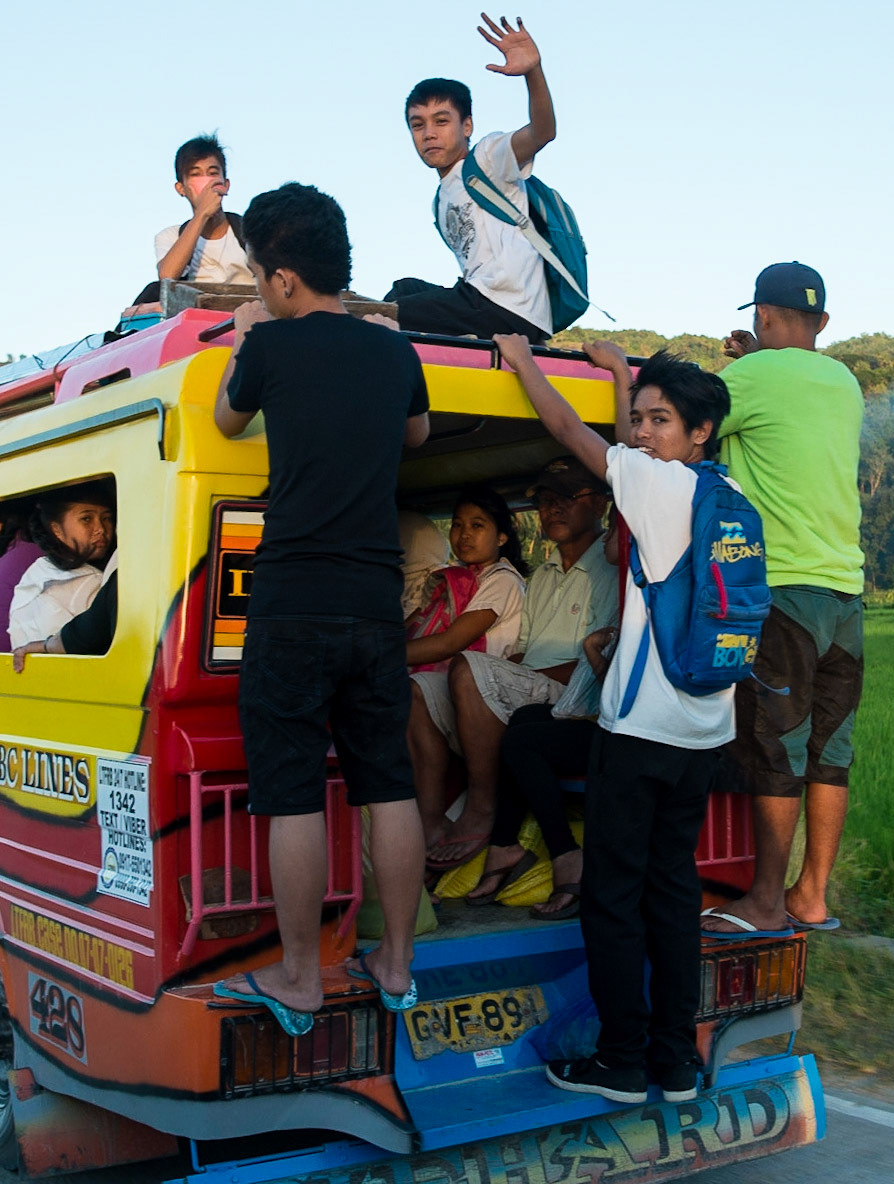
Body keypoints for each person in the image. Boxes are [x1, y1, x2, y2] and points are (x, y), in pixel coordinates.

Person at [210, 182, 431, 1037]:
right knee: (388, 782)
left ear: (285, 279)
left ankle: (300, 976)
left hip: (293, 604)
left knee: (293, 791)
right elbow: (414, 437)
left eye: (262, 276)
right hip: (376, 611)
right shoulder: (393, 353)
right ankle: (397, 964)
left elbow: (230, 421)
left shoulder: (271, 345)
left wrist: (243, 340)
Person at [495, 332, 734, 1105]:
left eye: (661, 421)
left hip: (639, 734)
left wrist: (522, 359)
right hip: (704, 729)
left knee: (612, 894)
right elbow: (630, 438)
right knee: (671, 892)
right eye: (641, 419)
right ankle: (676, 1062)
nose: (643, 433)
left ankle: (620, 1060)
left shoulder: (658, 488)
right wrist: (626, 377)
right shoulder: (725, 496)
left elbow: (572, 434)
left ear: (700, 434)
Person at [700, 262, 864, 939]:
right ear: (822, 323)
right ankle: (811, 895)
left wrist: (742, 368)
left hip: (783, 593)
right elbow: (785, 411)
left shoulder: (748, 379)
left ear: (762, 317)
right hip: (844, 593)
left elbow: (691, 424)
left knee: (773, 745)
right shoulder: (845, 383)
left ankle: (764, 901)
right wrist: (755, 365)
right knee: (830, 750)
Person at [418, 455, 616, 870]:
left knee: (469, 665)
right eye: (545, 500)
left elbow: (597, 664)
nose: (552, 508)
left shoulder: (611, 568)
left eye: (567, 497)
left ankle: (481, 807)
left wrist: (500, 678)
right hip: (533, 686)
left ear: (599, 504)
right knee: (417, 689)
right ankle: (429, 820)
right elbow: (523, 651)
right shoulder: (542, 575)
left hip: (578, 698)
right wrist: (503, 678)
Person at [466, 510, 620, 915]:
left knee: (524, 736)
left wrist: (590, 654)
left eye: (615, 531)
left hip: (632, 733)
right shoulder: (558, 575)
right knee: (524, 722)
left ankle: (565, 853)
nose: (607, 539)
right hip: (602, 717)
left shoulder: (629, 586)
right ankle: (504, 844)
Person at [386, 15, 555, 342]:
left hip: (509, 306)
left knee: (393, 313)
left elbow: (543, 131)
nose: (429, 134)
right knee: (402, 290)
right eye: (418, 125)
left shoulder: (488, 159)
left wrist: (533, 72)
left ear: (467, 127)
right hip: (479, 301)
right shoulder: (439, 200)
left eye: (441, 121)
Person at [407, 486, 528, 842]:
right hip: (457, 687)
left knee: (414, 690)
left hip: (486, 700)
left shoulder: (502, 581)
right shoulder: (455, 578)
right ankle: (425, 819)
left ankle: (445, 816)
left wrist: (376, 656)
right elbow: (417, 629)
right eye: (458, 525)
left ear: (502, 536)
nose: (464, 534)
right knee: (409, 691)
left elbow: (451, 642)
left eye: (478, 525)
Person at [3, 482, 115, 649]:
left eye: (106, 519)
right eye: (86, 519)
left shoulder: (35, 572)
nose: (100, 529)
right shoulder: (91, 583)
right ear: (56, 529)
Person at [155, 135, 252, 287]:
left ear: (225, 185)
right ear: (181, 188)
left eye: (213, 173)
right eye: (195, 174)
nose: (206, 181)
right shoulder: (171, 236)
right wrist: (202, 213)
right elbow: (167, 277)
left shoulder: (250, 231)